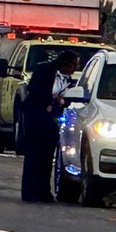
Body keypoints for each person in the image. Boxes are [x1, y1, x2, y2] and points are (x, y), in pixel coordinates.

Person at [20, 49, 81, 202]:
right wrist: (48, 102)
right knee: (34, 155)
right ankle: (29, 192)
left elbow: (66, 99)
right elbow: (34, 90)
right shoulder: (44, 70)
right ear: (65, 63)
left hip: (52, 119)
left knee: (47, 157)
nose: (74, 68)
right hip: (36, 116)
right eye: (73, 64)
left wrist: (60, 102)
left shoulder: (70, 80)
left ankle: (43, 192)